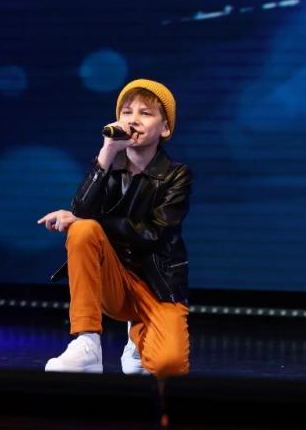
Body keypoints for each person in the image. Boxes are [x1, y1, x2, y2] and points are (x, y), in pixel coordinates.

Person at [37, 78, 192, 377]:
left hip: (156, 286)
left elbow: (154, 233)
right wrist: (107, 151)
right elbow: (81, 214)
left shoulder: (177, 176)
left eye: (145, 113)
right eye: (127, 112)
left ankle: (138, 337)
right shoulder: (107, 167)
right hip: (114, 281)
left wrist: (91, 222)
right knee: (82, 230)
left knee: (168, 366)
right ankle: (87, 343)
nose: (133, 120)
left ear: (165, 128)